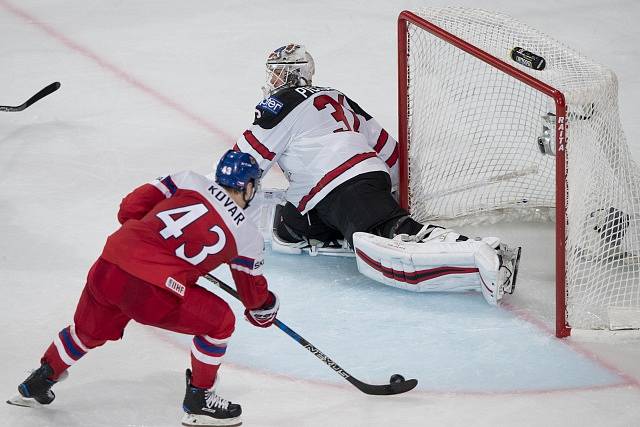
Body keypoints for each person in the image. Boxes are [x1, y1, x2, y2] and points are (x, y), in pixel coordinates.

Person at [233, 43, 521, 306]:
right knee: (288, 229)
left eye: (278, 74)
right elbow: (388, 149)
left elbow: (245, 157)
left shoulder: (280, 103)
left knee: (393, 233)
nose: (273, 82)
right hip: (349, 182)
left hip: (342, 183)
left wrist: (211, 196)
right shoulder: (336, 96)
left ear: (295, 75)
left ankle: (483, 252)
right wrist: (393, 190)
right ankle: (350, 226)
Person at [7, 150, 279, 427]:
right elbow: (254, 299)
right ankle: (200, 401)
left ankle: (41, 379)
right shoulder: (247, 236)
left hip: (111, 263)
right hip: (153, 291)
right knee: (220, 322)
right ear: (247, 186)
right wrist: (267, 308)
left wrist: (150, 241)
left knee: (87, 331)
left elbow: (129, 209)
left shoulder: (187, 179)